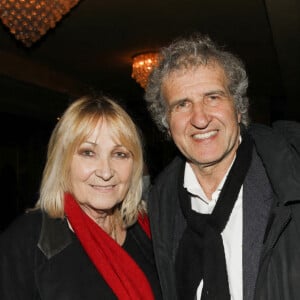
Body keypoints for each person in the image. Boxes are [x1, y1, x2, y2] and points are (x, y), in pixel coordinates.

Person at [144, 33, 300, 300]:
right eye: (182, 104)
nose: (200, 118)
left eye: (213, 97)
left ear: (238, 108)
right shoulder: (161, 202)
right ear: (166, 123)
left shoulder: (290, 176)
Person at [0, 94, 162, 300]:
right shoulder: (25, 242)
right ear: (63, 162)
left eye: (119, 154)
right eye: (88, 153)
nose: (106, 172)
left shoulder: (149, 231)